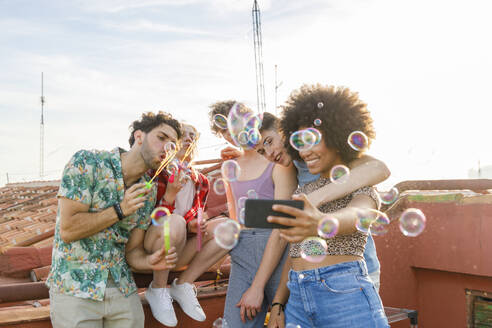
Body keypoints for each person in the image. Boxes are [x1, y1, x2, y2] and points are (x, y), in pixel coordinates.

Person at [267, 84, 389, 328]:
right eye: (299, 143)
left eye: (311, 140)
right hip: (297, 298)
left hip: (344, 293)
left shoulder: (357, 183)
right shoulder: (303, 191)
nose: (304, 151)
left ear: (336, 137)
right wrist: (278, 303)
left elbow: (359, 214)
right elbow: (296, 252)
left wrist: (321, 223)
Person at [225, 111, 390, 291]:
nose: (270, 154)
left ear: (283, 130)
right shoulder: (293, 165)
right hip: (318, 273)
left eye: (270, 141)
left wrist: (312, 199)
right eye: (262, 151)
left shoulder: (325, 152)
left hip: (357, 269)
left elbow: (380, 168)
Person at [47, 111, 180, 328]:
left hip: (123, 291)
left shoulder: (149, 189)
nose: (167, 148)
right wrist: (120, 209)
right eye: (162, 138)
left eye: (173, 145)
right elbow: (68, 229)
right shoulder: (87, 162)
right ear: (139, 136)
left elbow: (133, 251)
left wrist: (150, 261)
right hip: (74, 290)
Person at [209, 100, 298, 328]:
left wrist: (257, 286)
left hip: (278, 248)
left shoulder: (277, 159)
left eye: (233, 127)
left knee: (287, 320)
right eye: (224, 132)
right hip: (244, 252)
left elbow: (283, 224)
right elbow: (237, 216)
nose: (230, 135)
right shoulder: (231, 164)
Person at [144, 123, 230, 327]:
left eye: (194, 136)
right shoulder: (157, 171)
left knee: (227, 227)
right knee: (175, 221)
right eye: (185, 134)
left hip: (179, 247)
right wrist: (170, 196)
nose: (190, 138)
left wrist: (194, 225)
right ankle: (157, 288)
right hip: (152, 249)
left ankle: (183, 284)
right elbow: (146, 219)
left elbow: (193, 215)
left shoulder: (200, 180)